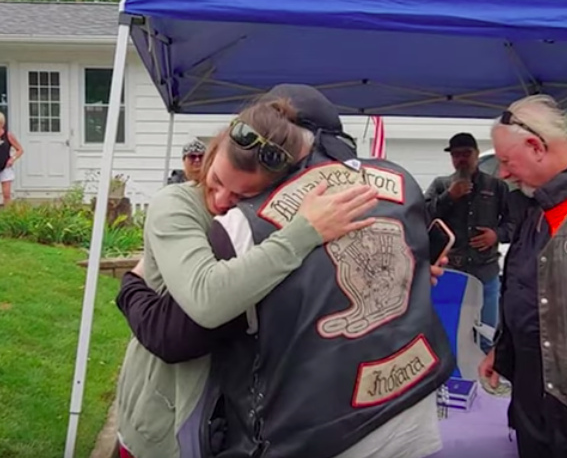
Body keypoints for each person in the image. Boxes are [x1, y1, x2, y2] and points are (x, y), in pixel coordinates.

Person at [118, 85, 454, 458]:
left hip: (223, 398)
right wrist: (130, 286)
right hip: (169, 403)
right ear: (214, 149)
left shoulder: (267, 217)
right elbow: (189, 319)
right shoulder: (179, 203)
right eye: (216, 181)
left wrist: (410, 273)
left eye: (242, 196)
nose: (221, 200)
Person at [479, 94, 567, 458]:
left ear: (536, 146)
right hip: (532, 390)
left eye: (505, 162)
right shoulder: (537, 208)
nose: (503, 175)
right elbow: (522, 283)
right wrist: (503, 347)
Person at [425, 132, 511, 351]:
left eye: (466, 154)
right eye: (456, 155)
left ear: (477, 154)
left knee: (487, 335)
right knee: (448, 332)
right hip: (450, 272)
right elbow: (422, 218)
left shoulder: (496, 187)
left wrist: (497, 235)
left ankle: (485, 381)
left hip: (486, 272)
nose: (461, 159)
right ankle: (451, 380)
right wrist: (449, 197)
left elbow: (515, 224)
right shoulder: (441, 184)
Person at [0, 112, 23, 206]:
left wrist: (12, 159)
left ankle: (7, 216)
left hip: (5, 167)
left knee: (6, 194)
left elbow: (20, 150)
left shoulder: (8, 135)